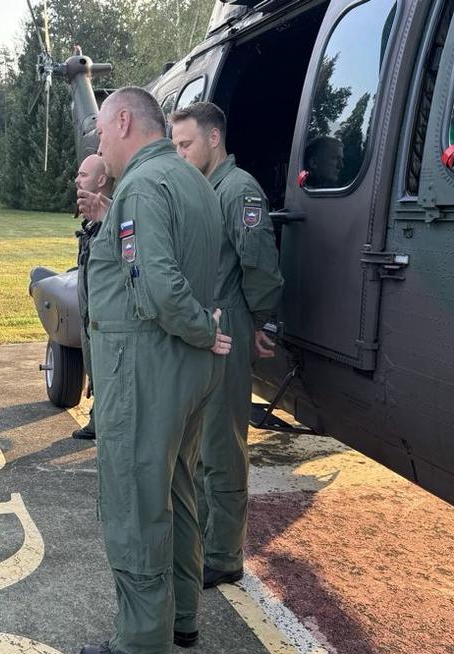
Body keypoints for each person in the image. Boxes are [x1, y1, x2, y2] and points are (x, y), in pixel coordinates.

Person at [75, 87, 232, 654]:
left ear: (122, 121)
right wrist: (204, 334)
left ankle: (143, 644)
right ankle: (181, 617)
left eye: (100, 134)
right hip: (185, 374)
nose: (99, 146)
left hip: (145, 368)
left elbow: (159, 285)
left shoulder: (141, 186)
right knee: (181, 490)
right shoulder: (192, 177)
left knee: (137, 500)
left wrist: (199, 329)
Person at [171, 102, 284, 589]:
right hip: (205, 326)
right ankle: (203, 541)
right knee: (197, 443)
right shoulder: (204, 188)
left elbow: (259, 263)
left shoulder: (239, 191)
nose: (179, 153)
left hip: (229, 325)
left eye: (185, 144)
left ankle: (223, 553)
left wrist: (263, 321)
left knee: (222, 444)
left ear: (213, 139)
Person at [72, 153, 113, 441]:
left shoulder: (114, 220)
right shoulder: (93, 224)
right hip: (90, 315)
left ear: (101, 180)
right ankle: (99, 414)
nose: (77, 180)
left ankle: (103, 420)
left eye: (83, 175)